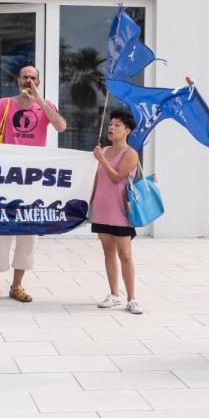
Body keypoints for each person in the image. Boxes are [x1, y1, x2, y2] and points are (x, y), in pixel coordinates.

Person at [0, 65, 67, 303]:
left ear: (39, 82)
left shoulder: (46, 106)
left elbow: (60, 126)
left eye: (33, 78)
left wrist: (40, 101)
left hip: (32, 181)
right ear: (18, 80)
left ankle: (17, 285)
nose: (28, 81)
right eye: (25, 77)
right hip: (5, 178)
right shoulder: (5, 104)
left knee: (27, 233)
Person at [91, 109, 143, 314]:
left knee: (126, 254)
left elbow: (117, 177)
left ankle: (132, 298)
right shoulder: (103, 151)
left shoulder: (131, 154)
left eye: (117, 125)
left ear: (127, 130)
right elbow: (97, 180)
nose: (111, 128)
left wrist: (101, 160)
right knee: (108, 252)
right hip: (102, 210)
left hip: (121, 210)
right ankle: (114, 294)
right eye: (111, 124)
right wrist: (90, 201)